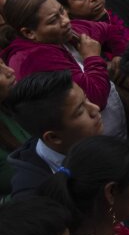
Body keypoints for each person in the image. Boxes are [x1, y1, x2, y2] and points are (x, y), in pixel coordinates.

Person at [2, 0, 128, 138]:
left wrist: (119, 56)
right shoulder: (34, 59)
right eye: (53, 20)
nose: (66, 21)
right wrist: (92, 58)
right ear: (29, 33)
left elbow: (111, 30)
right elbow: (95, 99)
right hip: (94, 146)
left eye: (61, 11)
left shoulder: (65, 32)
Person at [4, 70, 103, 198]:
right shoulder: (37, 198)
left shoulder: (87, 141)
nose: (95, 108)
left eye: (86, 98)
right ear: (53, 137)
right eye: (80, 111)